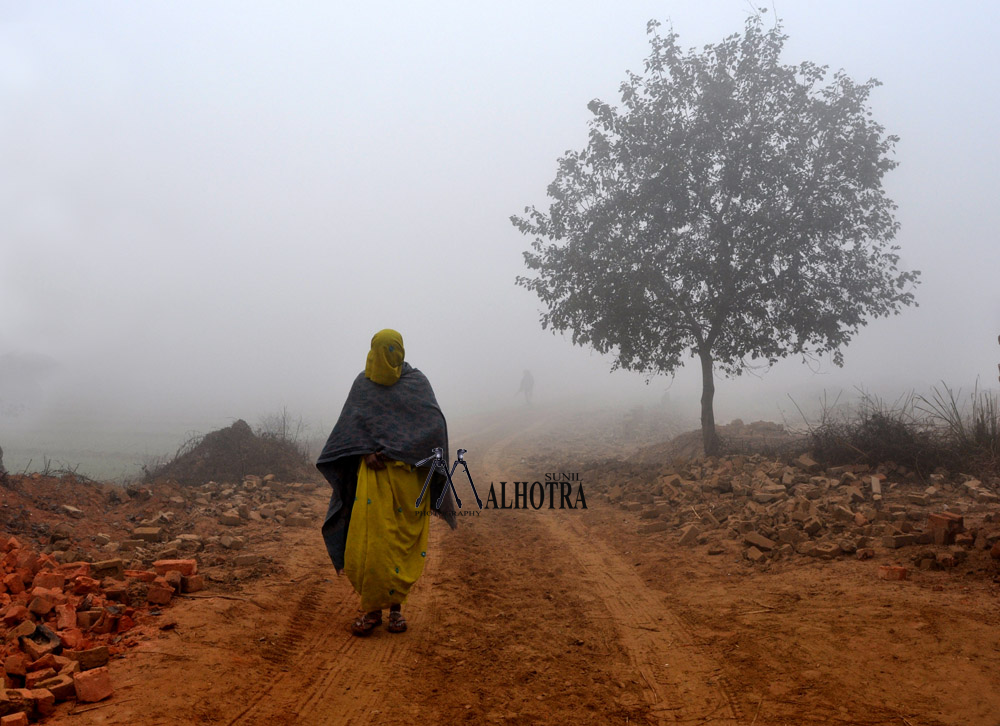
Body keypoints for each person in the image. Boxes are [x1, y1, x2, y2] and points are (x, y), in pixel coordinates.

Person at [316, 329, 456, 636]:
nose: (388, 360)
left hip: (408, 480)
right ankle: (371, 612)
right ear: (372, 353)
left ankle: (396, 612)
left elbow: (433, 426)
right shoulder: (362, 385)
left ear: (402, 353)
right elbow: (349, 429)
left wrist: (401, 451)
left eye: (392, 352)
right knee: (373, 544)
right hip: (373, 479)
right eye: (383, 353)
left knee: (400, 544)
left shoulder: (416, 384)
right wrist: (365, 452)